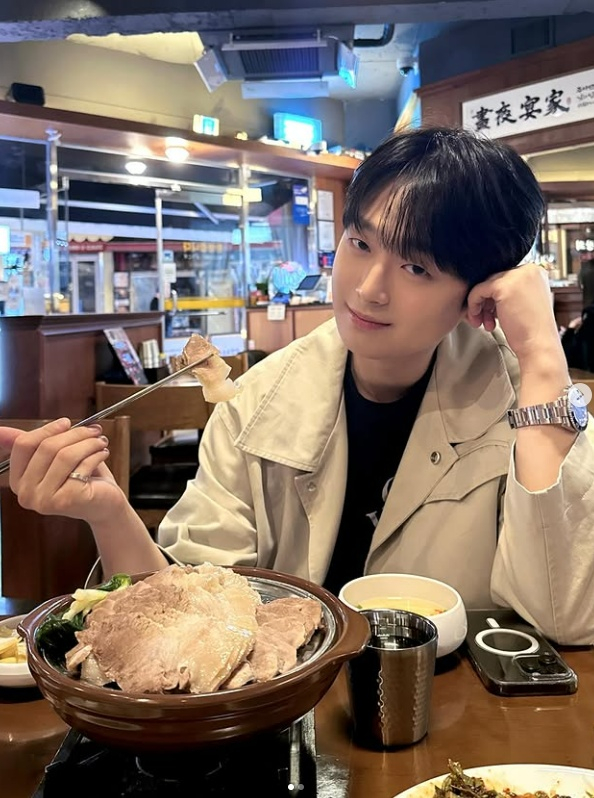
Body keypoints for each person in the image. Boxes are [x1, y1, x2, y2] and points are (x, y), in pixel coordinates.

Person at [3, 127, 594, 645]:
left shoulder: (521, 397)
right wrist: (109, 514)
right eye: (360, 243)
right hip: (291, 714)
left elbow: (567, 616)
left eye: (416, 267)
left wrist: (544, 357)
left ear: (480, 290)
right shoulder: (259, 399)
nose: (368, 289)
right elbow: (185, 613)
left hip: (458, 712)